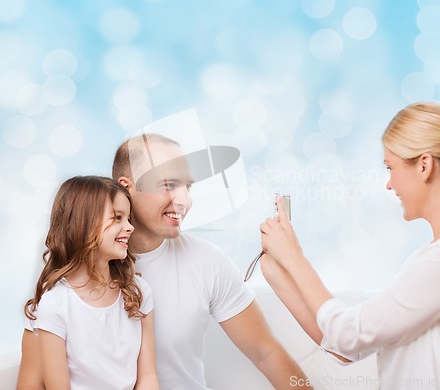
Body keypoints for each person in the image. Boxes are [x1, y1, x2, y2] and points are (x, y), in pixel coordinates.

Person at [18, 134, 310, 390]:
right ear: (127, 187)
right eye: (169, 185)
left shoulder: (205, 262)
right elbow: (32, 382)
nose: (184, 201)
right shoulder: (64, 287)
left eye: (188, 187)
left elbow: (267, 353)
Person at [259, 102, 440, 389]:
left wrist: (294, 257)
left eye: (391, 167)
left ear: (424, 165)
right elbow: (345, 347)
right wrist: (278, 272)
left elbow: (348, 335)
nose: (389, 184)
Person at [19, 176, 159, 390]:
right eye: (118, 218)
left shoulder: (138, 291)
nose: (130, 227)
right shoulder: (56, 304)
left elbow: (148, 378)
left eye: (128, 218)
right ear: (83, 225)